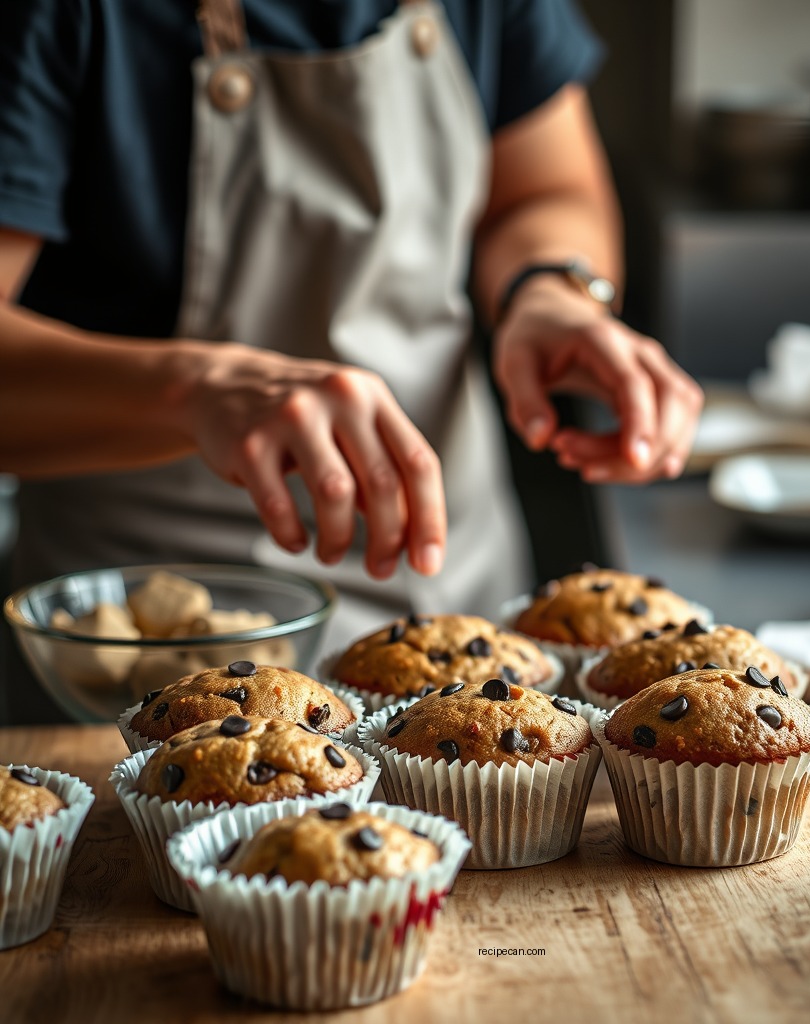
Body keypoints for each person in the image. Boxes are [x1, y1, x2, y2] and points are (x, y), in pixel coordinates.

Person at [0, 0, 702, 700]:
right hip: (159, 657)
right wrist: (195, 389)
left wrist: (547, 288)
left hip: (463, 605)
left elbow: (546, 188)